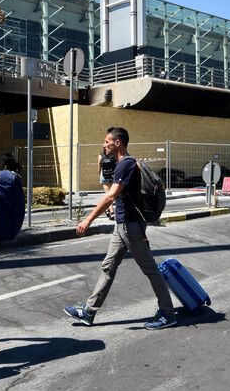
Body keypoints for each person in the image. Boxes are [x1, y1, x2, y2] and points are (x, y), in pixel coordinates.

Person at [64, 127, 177, 330]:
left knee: (150, 269)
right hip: (122, 226)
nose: (104, 145)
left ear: (118, 143)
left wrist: (88, 220)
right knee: (108, 267)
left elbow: (110, 196)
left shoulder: (126, 164)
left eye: (107, 141)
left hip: (131, 227)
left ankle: (168, 313)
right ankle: (89, 311)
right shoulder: (121, 164)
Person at [98, 149, 116, 219]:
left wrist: (99, 174)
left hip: (104, 175)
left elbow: (99, 166)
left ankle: (111, 212)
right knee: (111, 194)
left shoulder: (101, 155)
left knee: (108, 194)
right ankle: (107, 210)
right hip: (112, 175)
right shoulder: (113, 154)